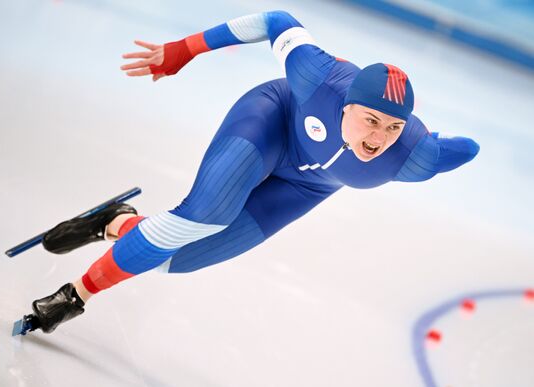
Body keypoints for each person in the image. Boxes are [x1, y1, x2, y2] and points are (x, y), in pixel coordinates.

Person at [29, 11, 480, 333]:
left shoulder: (412, 156)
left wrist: (430, 140)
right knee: (205, 215)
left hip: (306, 186)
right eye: (372, 120)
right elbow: (274, 21)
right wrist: (184, 49)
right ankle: (75, 296)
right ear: (346, 104)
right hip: (271, 121)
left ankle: (115, 221)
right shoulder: (316, 76)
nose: (379, 137)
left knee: (175, 260)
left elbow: (467, 149)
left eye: (393, 128)